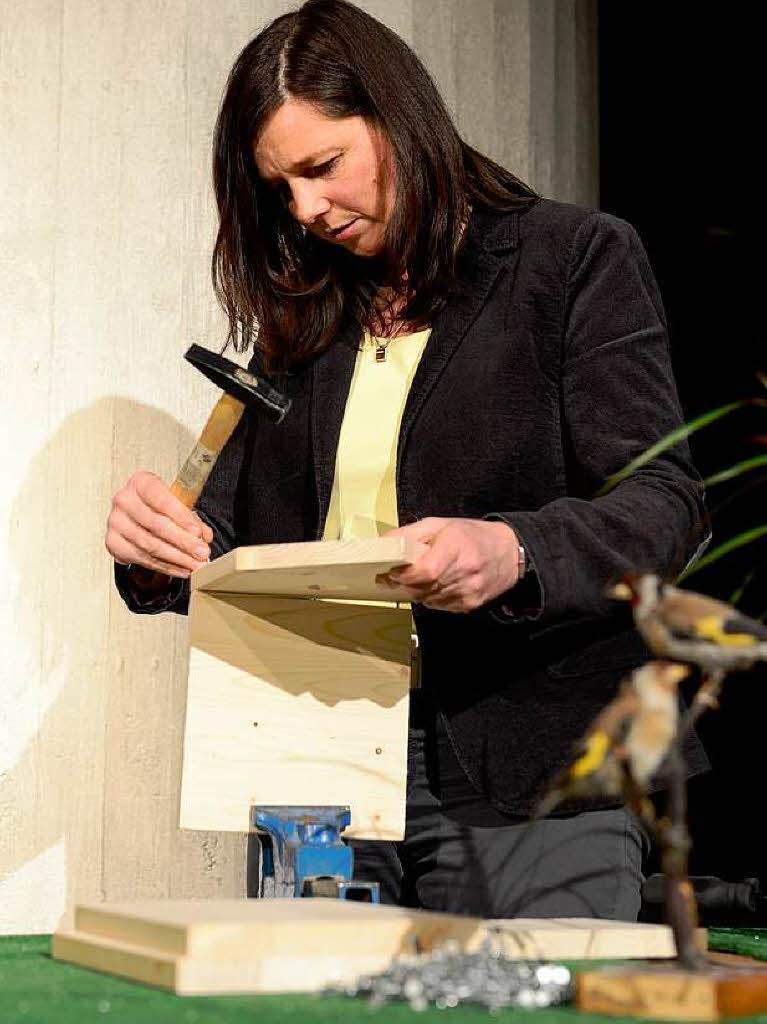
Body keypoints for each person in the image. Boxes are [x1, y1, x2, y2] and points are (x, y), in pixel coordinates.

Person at [105, 0, 709, 919]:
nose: (306, 210)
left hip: (532, 755)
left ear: (397, 117)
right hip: (319, 758)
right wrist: (155, 547)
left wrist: (514, 551)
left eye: (321, 167)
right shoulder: (305, 314)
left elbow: (669, 505)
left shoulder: (571, 259)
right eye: (281, 189)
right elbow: (226, 541)